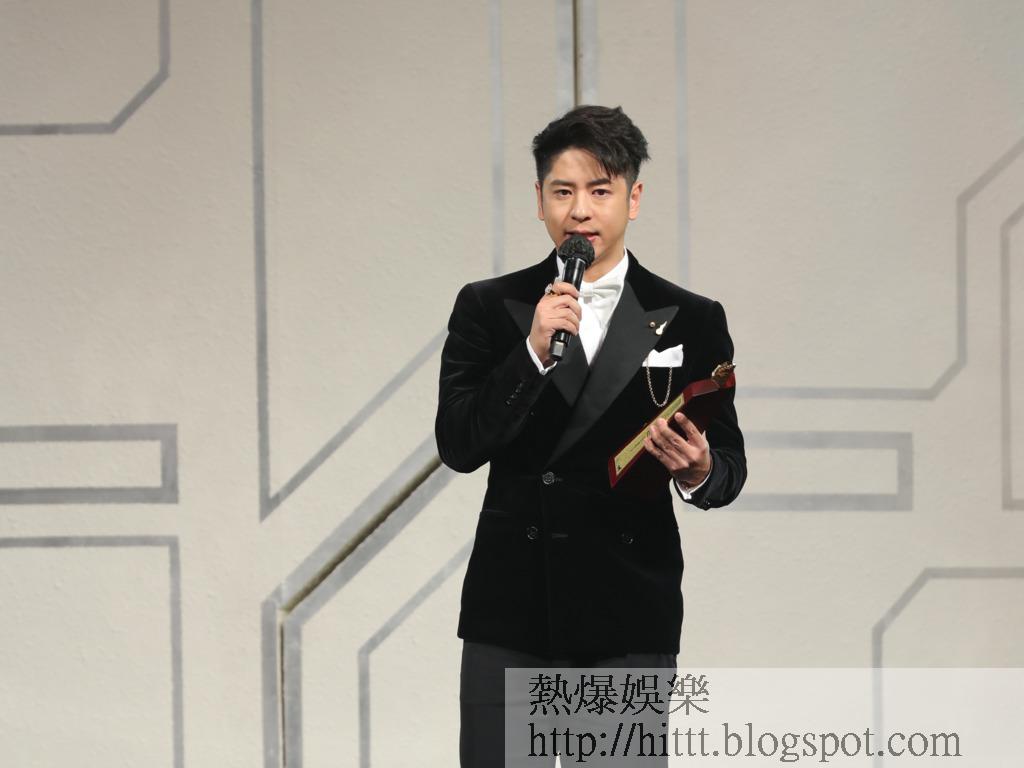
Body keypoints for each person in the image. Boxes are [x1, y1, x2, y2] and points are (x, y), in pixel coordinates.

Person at [435, 105, 746, 766]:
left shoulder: (692, 317)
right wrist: (531, 353)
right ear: (539, 201)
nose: (580, 210)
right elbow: (459, 444)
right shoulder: (487, 306)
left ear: (633, 198)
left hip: (627, 609)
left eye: (600, 191)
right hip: (511, 609)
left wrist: (697, 470)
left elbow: (728, 468)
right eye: (563, 191)